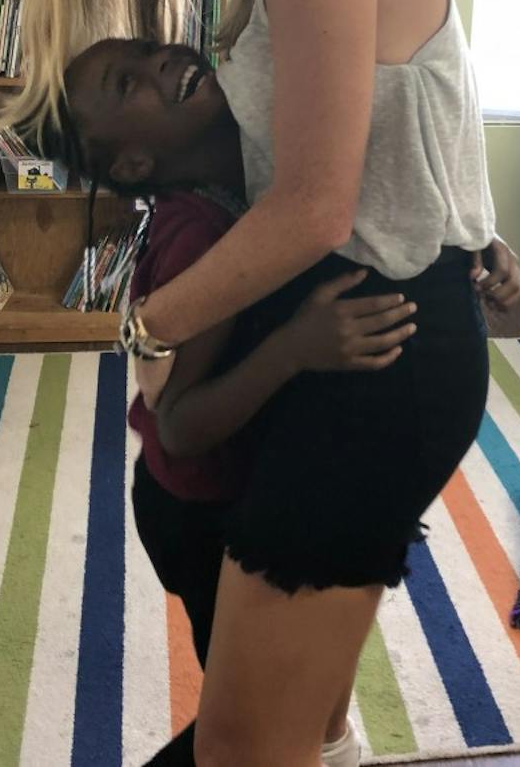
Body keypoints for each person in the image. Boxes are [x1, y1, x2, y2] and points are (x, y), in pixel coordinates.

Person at [7, 0, 520, 767]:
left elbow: (314, 208)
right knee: (298, 717)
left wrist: (138, 325)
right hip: (357, 340)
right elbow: (401, 117)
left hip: (379, 357)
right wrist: (475, 220)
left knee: (246, 743)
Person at [62, 37, 416, 767]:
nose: (161, 60)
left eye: (148, 47)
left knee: (298, 686)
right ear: (132, 164)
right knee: (246, 720)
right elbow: (182, 423)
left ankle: (331, 745)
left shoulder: (262, 172)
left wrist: (478, 242)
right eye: (129, 80)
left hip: (231, 492)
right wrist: (296, 347)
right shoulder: (198, 233)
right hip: (198, 509)